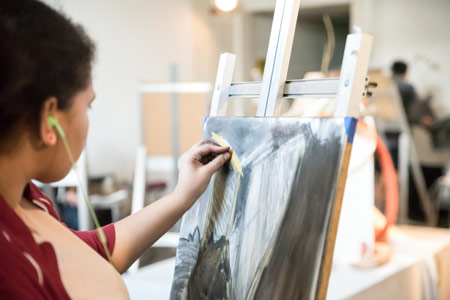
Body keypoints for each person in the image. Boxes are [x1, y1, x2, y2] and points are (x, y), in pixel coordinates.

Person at [0, 0, 231, 298]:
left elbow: (89, 255)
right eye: (88, 105)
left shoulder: (25, 198)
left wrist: (181, 196)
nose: (88, 117)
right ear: (50, 120)